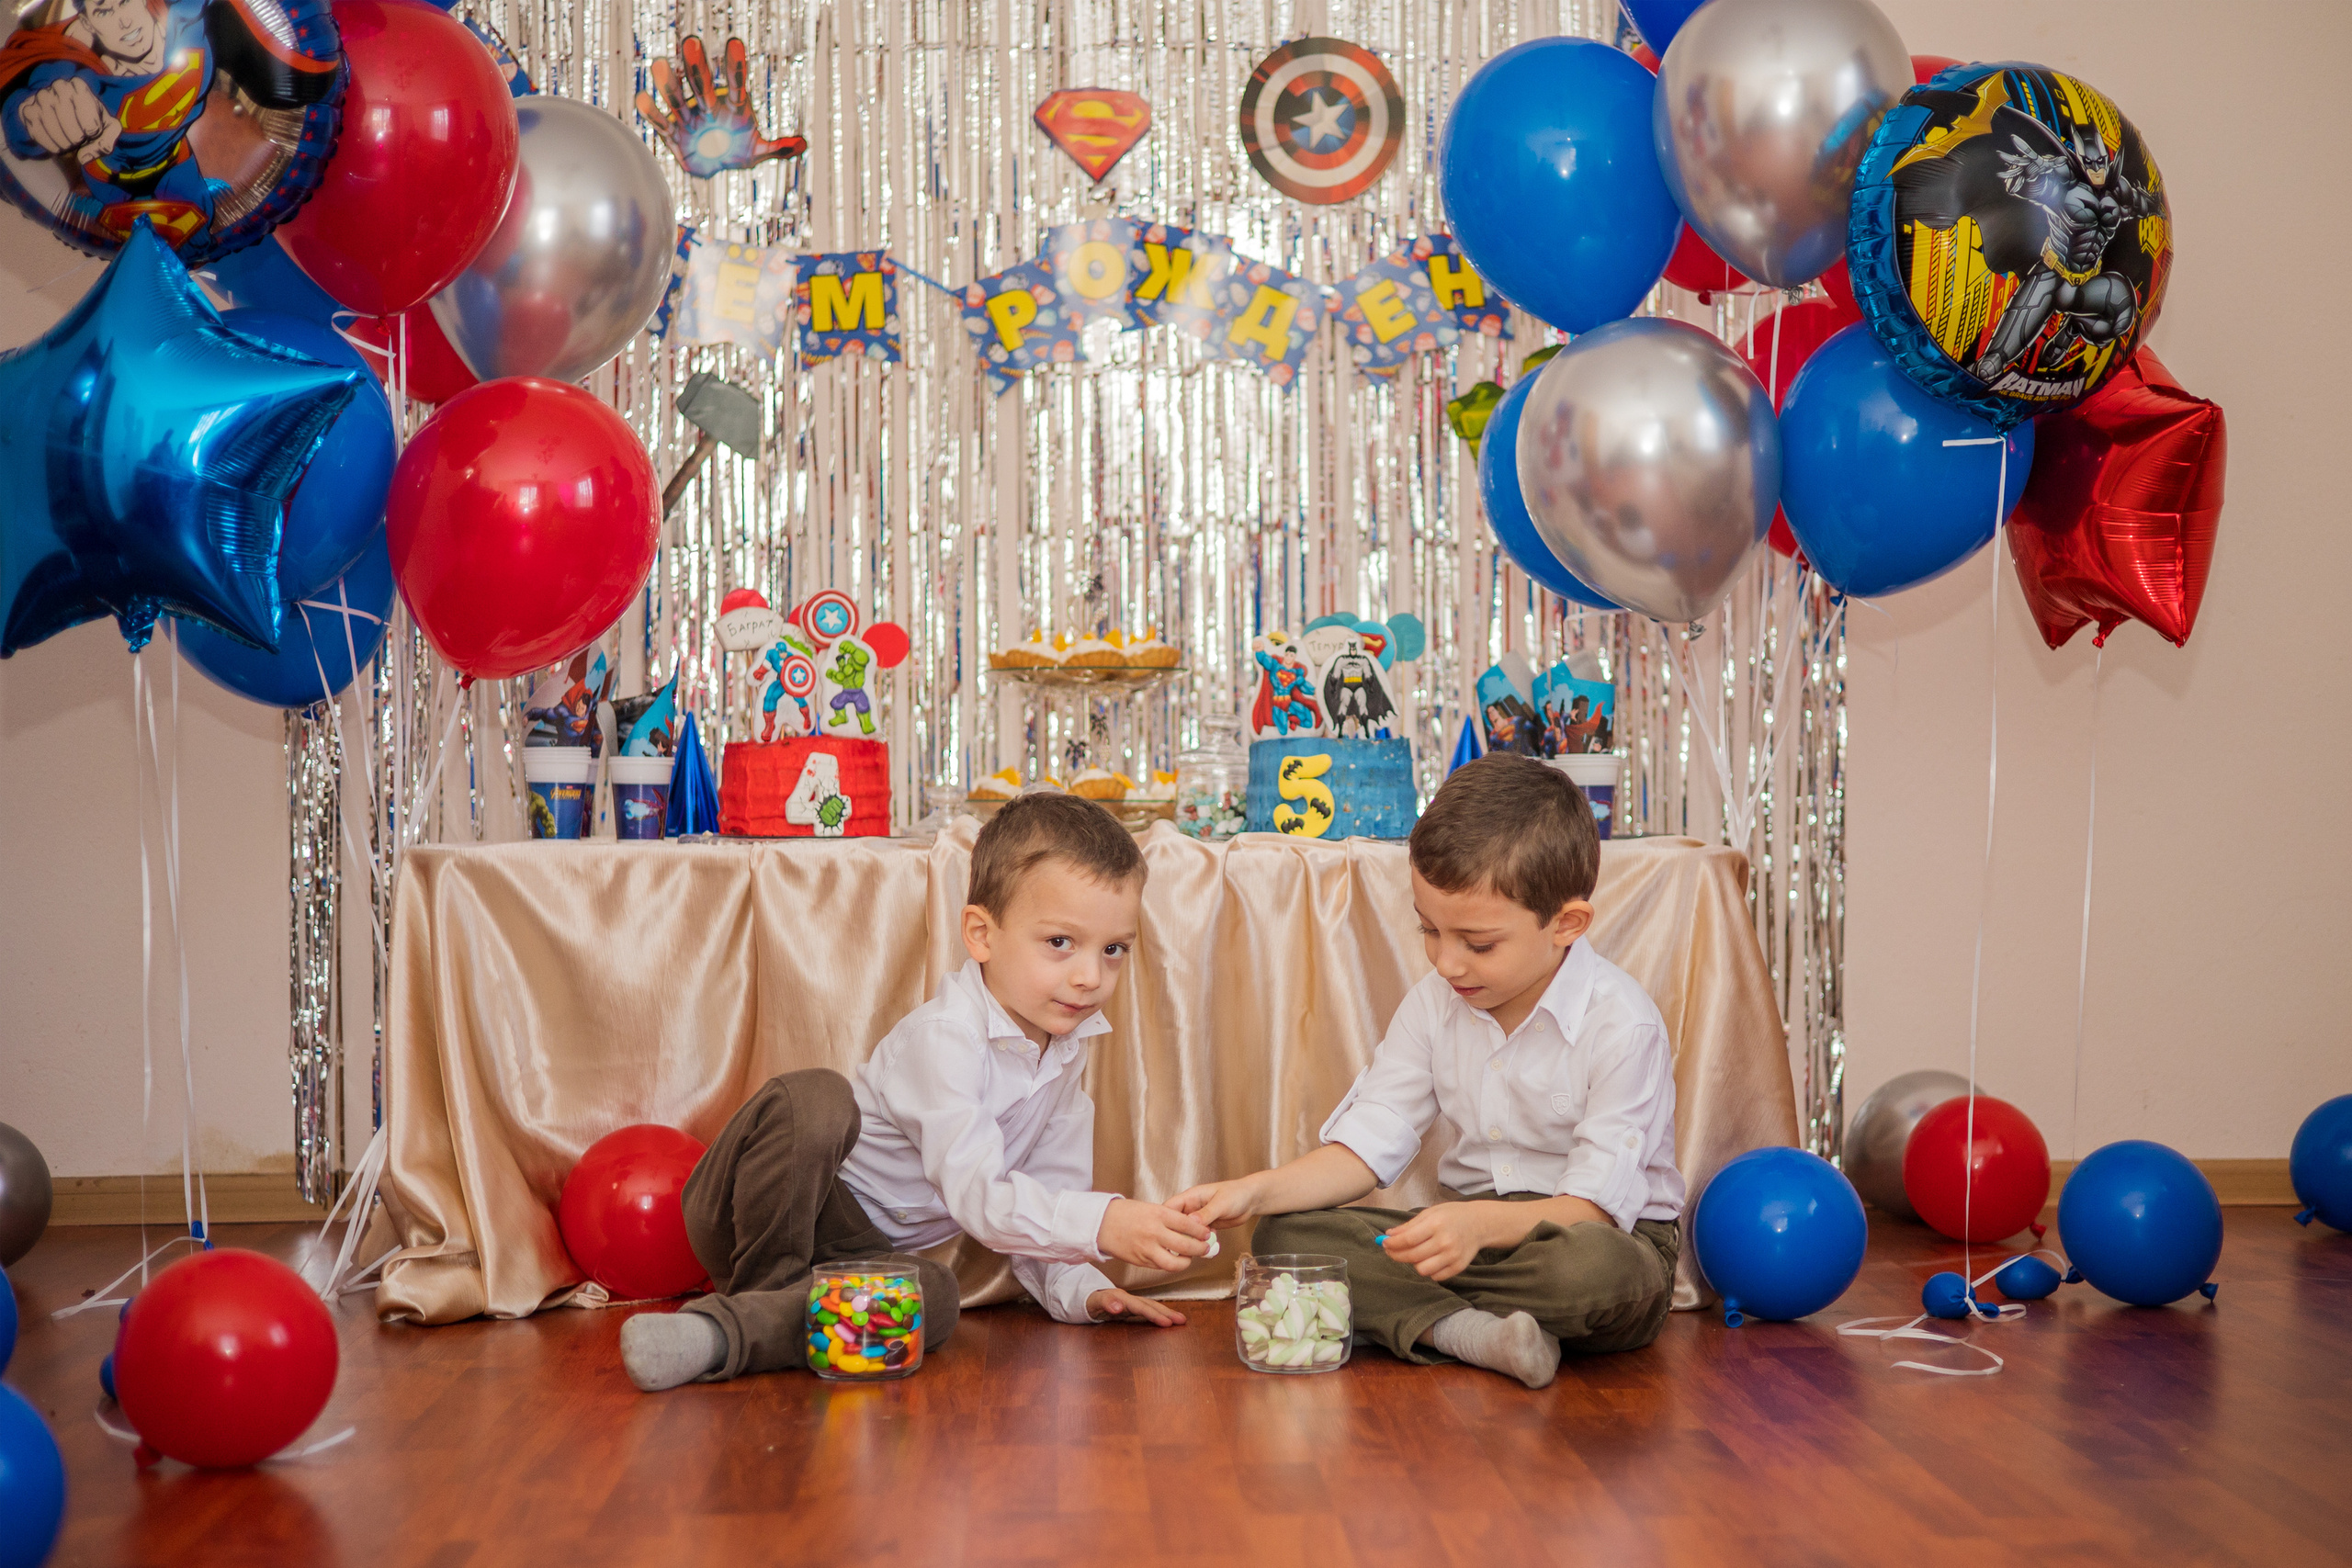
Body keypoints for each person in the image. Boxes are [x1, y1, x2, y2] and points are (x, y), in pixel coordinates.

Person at [621, 791, 1211, 1390]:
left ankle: (737, 1329)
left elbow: (1047, 1198)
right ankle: (764, 1299)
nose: (1090, 976)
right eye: (1061, 942)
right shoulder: (946, 1040)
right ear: (981, 934)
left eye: (1113, 949)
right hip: (762, 1207)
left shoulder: (1065, 1050)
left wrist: (1088, 1290)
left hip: (849, 1251)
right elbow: (982, 1199)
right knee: (818, 1099)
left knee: (934, 1295)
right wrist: (1105, 1220)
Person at [1170, 753, 1682, 1389]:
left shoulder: (1622, 1023)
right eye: (1429, 931)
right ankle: (1476, 1334)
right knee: (1287, 1232)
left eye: (1478, 942)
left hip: (1596, 1236)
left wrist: (1476, 1228)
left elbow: (1597, 1211)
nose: (1446, 962)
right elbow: (1365, 1145)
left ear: (1566, 924)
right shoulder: (1436, 1003)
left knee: (1594, 1272)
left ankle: (1442, 1315)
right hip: (1469, 1230)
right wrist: (1254, 1190)